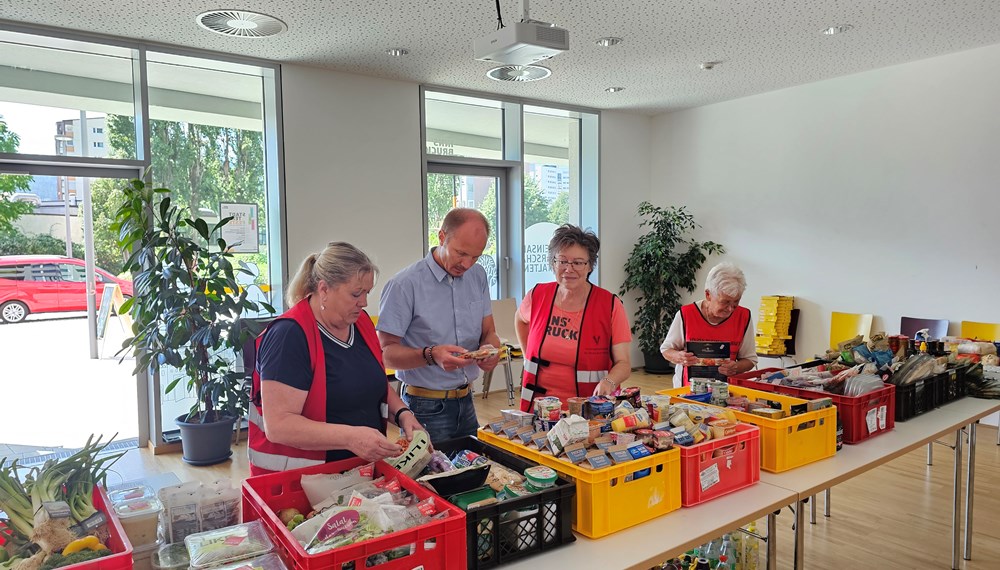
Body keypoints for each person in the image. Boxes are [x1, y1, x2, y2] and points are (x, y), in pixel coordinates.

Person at [248, 242, 424, 475]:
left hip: (359, 471)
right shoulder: (289, 336)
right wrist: (350, 437)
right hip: (305, 481)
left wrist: (403, 413)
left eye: (367, 293)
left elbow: (373, 383)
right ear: (324, 289)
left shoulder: (360, 323)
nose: (364, 303)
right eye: (355, 294)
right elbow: (279, 426)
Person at [377, 208, 501, 443]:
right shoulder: (404, 285)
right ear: (442, 237)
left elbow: (489, 332)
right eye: (460, 253)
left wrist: (490, 350)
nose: (466, 264)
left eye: (475, 256)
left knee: (469, 474)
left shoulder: (478, 276)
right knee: (430, 478)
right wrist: (431, 355)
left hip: (467, 399)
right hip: (424, 406)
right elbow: (386, 355)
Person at [514, 225, 632, 412]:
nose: (569, 269)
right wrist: (528, 354)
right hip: (539, 407)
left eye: (578, 262)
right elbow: (520, 319)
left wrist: (609, 381)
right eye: (562, 261)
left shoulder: (609, 305)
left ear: (590, 266)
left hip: (588, 409)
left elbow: (624, 364)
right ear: (553, 263)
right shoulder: (537, 295)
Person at [659, 262, 757, 386]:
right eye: (725, 302)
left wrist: (736, 367)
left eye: (736, 302)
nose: (730, 309)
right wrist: (679, 357)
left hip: (727, 391)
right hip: (687, 390)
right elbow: (666, 350)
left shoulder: (744, 316)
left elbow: (750, 359)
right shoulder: (686, 314)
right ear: (708, 295)